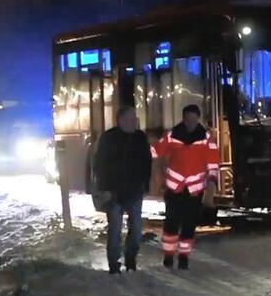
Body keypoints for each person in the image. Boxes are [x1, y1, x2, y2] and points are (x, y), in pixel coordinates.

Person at [152, 104, 219, 270]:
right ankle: (168, 255)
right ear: (183, 118)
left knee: (189, 226)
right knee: (171, 225)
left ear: (198, 119)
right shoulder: (172, 135)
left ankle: (183, 257)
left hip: (194, 191)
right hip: (175, 189)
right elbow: (156, 151)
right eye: (188, 119)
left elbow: (213, 163)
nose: (190, 123)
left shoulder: (206, 139)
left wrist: (212, 183)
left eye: (193, 120)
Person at [92, 106, 152, 274]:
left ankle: (131, 260)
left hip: (134, 191)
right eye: (132, 118)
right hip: (114, 193)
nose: (135, 121)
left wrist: (145, 183)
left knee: (136, 228)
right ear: (121, 120)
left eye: (135, 118)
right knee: (115, 230)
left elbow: (147, 162)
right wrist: (104, 188)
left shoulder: (140, 138)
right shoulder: (108, 138)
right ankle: (114, 264)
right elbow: (99, 165)